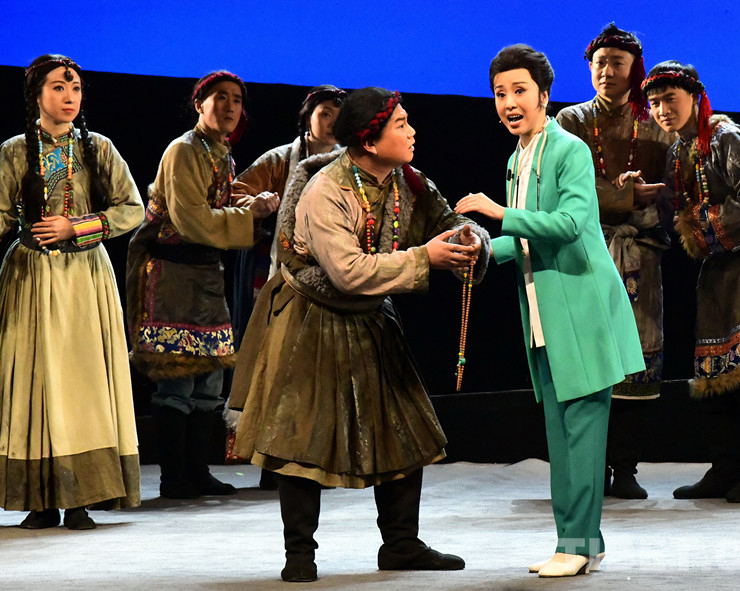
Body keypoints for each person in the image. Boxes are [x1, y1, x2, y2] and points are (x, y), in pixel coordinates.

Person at [228, 87, 489, 582]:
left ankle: (402, 545)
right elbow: (346, 272)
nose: (412, 132)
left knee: (404, 427)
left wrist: (469, 240)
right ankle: (299, 554)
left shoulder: (408, 181)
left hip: (369, 315)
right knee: (300, 437)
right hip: (311, 317)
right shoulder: (326, 189)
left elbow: (447, 220)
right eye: (401, 124)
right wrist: (424, 257)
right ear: (369, 141)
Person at [455, 44, 643, 577]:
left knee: (581, 431)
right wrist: (481, 250)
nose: (509, 103)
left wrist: (498, 214)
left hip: (581, 308)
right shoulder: (516, 159)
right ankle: (584, 541)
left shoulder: (568, 150)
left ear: (543, 95)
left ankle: (575, 546)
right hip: (543, 314)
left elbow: (571, 224)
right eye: (500, 93)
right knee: (561, 435)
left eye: (519, 90)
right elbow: (526, 240)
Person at [642, 62, 740, 502]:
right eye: (654, 103)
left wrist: (699, 228)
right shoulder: (678, 152)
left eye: (670, 99)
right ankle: (724, 469)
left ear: (694, 97)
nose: (662, 109)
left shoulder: (727, 137)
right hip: (721, 268)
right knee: (717, 377)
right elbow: (677, 212)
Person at [0, 54, 143, 529]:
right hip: (31, 278)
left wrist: (76, 226)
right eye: (59, 88)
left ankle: (81, 497)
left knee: (83, 382)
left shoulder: (98, 148)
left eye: (76, 88)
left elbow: (132, 209)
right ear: (36, 95)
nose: (69, 97)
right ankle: (41, 500)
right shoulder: (14, 151)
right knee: (38, 381)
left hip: (84, 277)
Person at [126, 71, 273, 500]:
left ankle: (198, 470)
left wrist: (251, 205)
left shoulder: (221, 154)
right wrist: (249, 216)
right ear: (199, 104)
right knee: (177, 378)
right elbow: (191, 218)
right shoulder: (183, 150)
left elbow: (219, 205)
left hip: (206, 275)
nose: (230, 106)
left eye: (237, 99)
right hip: (172, 274)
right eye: (220, 97)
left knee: (209, 379)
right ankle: (174, 476)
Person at [555, 23, 673, 499]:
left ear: (634, 70)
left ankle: (625, 468)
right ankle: (591, 467)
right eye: (599, 62)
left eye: (617, 63)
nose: (606, 71)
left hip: (639, 254)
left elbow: (673, 188)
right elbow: (567, 189)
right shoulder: (569, 121)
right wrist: (624, 195)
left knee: (636, 358)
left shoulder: (656, 125)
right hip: (586, 250)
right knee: (590, 362)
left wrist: (649, 201)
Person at [228, 85, 346, 490]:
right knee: (278, 373)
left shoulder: (348, 163)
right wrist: (259, 205)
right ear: (307, 117)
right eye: (324, 113)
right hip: (281, 279)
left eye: (338, 116)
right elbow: (236, 193)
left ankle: (318, 463)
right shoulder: (280, 159)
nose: (331, 122)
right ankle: (273, 466)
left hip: (330, 282)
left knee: (320, 374)